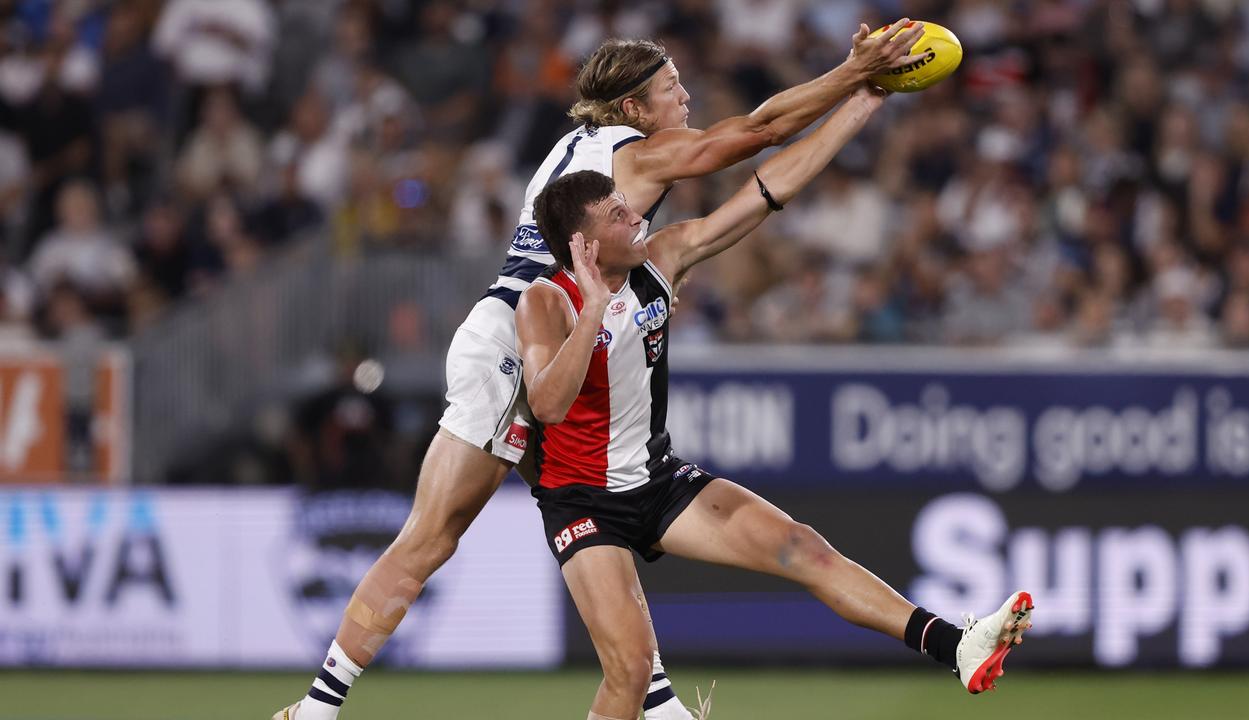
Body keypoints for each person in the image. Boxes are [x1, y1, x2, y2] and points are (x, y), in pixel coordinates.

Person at [275, 20, 927, 720]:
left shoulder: (578, 148)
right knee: (434, 533)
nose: (685, 97)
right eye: (670, 89)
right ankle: (315, 709)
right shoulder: (631, 156)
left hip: (543, 327)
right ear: (633, 110)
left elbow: (756, 169)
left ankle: (660, 703)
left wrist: (861, 91)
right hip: (521, 335)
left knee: (597, 503)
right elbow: (760, 131)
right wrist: (854, 74)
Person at [515, 84, 1034, 720]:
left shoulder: (663, 257)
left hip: (654, 480)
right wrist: (595, 311)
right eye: (619, 217)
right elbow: (547, 404)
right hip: (582, 501)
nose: (637, 217)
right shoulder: (547, 300)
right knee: (628, 675)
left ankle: (957, 646)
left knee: (803, 546)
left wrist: (863, 103)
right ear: (585, 246)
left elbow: (764, 193)